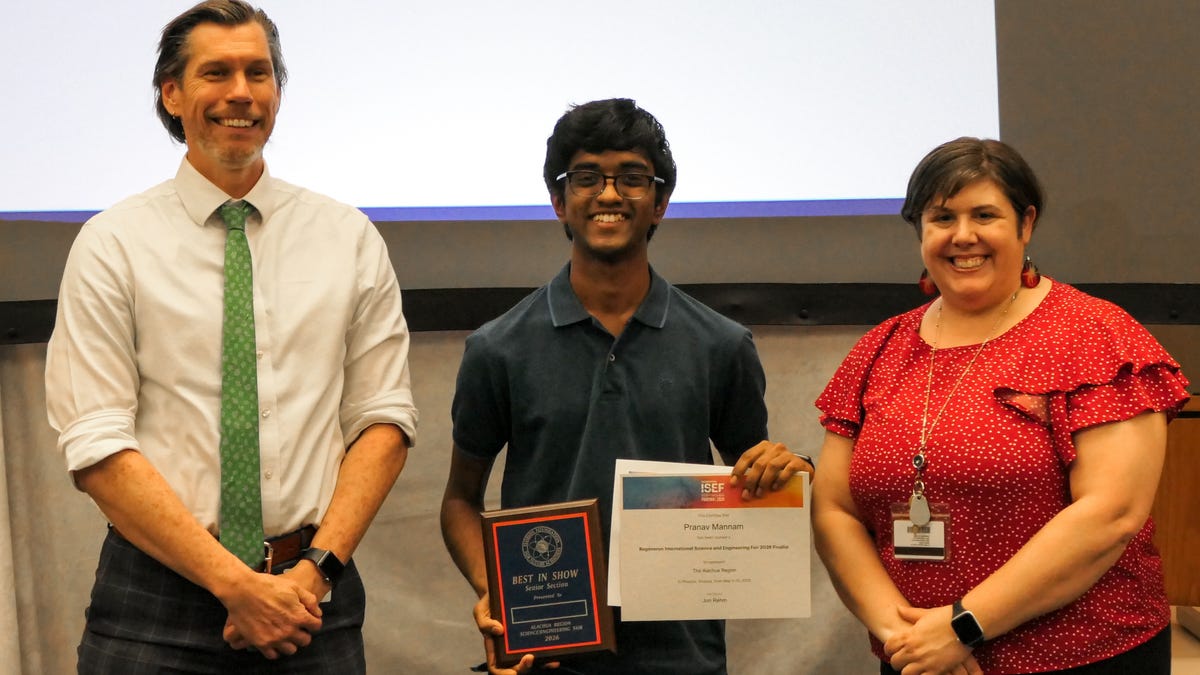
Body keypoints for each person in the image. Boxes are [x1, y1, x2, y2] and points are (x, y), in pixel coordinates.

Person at [44, 1, 417, 671]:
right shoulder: (112, 244)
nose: (241, 92)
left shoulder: (348, 237)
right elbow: (97, 442)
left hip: (313, 594)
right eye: (216, 72)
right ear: (172, 94)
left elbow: (384, 421)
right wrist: (234, 583)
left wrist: (312, 573)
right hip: (157, 600)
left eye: (259, 72)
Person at [440, 98, 812, 675]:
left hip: (684, 657)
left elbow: (755, 490)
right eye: (587, 178)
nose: (609, 196)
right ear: (559, 202)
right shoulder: (497, 348)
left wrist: (791, 474)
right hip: (548, 653)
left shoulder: (722, 344)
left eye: (632, 179)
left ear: (660, 203)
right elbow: (460, 500)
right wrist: (499, 593)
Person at [811, 137, 1189, 674]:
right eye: (941, 217)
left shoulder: (1095, 335)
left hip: (1082, 656)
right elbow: (834, 510)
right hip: (922, 661)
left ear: (1025, 224)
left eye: (984, 215)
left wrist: (964, 625)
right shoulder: (881, 349)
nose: (962, 236)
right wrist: (906, 638)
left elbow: (1111, 515)